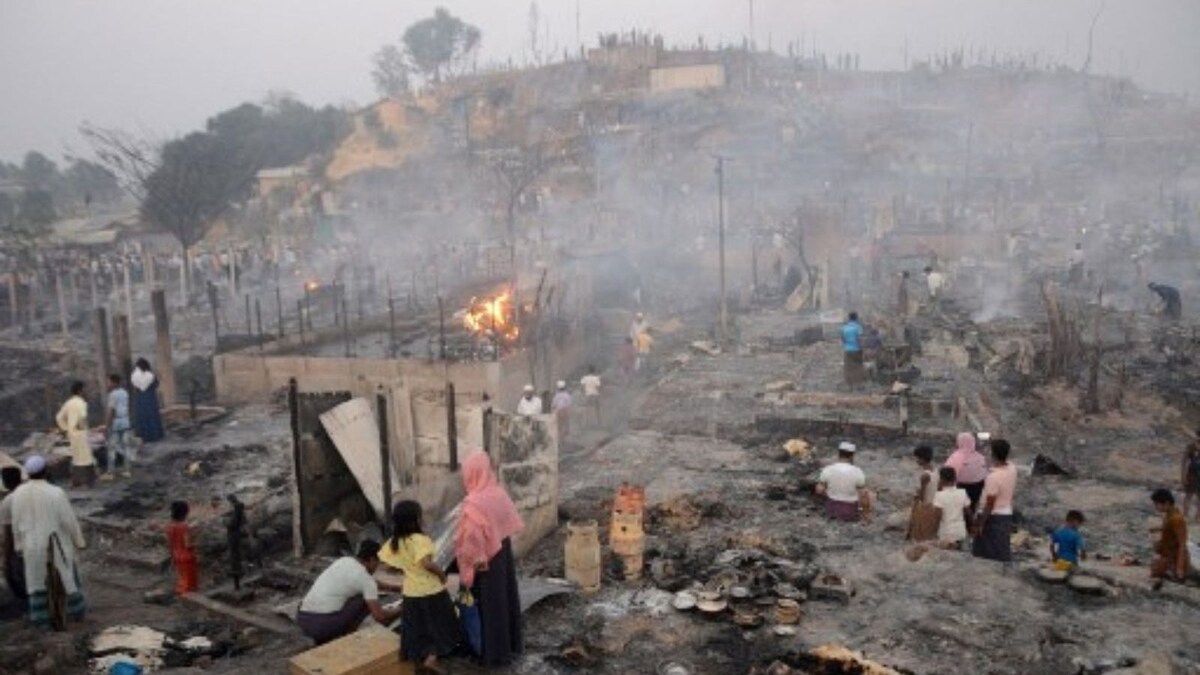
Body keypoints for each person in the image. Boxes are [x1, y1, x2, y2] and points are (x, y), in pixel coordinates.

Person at [455, 452, 524, 666]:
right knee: (505, 599)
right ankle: (510, 645)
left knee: (488, 606)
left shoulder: (473, 504)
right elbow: (505, 523)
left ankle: (492, 654)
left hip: (484, 561)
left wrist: (467, 573)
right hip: (502, 552)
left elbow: (471, 543)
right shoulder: (498, 493)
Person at [381, 501, 461, 673]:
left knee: (418, 628)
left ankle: (419, 660)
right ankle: (431, 660)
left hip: (411, 593)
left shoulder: (395, 542)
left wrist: (406, 567)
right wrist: (442, 574)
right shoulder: (420, 540)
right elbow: (427, 564)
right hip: (432, 592)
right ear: (416, 520)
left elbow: (387, 567)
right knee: (442, 625)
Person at [9, 455, 87, 628]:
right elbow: (69, 520)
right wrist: (79, 541)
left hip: (31, 546)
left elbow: (16, 523)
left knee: (37, 582)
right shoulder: (56, 492)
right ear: (45, 471)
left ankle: (42, 620)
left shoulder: (18, 494)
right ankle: (74, 614)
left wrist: (19, 545)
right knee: (65, 577)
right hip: (56, 545)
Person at [297, 540, 401, 646]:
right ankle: (344, 640)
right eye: (378, 563)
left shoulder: (344, 561)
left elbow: (368, 582)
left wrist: (395, 588)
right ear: (372, 559)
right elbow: (379, 616)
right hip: (323, 627)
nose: (377, 567)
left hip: (303, 620)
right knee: (363, 600)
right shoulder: (366, 581)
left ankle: (326, 637)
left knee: (358, 595)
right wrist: (401, 609)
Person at [972, 439, 1018, 563]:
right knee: (1001, 547)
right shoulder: (1012, 468)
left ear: (993, 454)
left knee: (986, 551)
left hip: (993, 516)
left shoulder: (993, 477)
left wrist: (980, 523)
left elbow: (990, 503)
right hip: (1006, 512)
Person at [815, 442, 870, 523]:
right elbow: (864, 496)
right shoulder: (857, 472)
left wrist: (829, 495)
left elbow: (819, 490)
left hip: (831, 510)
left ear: (839, 454)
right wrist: (866, 515)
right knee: (868, 492)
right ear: (852, 455)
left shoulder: (828, 469)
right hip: (849, 512)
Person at [55, 381, 96, 488]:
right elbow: (82, 417)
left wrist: (66, 429)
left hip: (72, 434)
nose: (86, 391)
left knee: (76, 457)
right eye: (85, 389)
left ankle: (76, 482)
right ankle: (88, 482)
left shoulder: (68, 402)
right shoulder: (81, 403)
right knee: (87, 457)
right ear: (80, 391)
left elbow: (59, 417)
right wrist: (82, 427)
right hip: (81, 433)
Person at [1149, 489, 1190, 589]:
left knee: (1155, 570)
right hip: (1169, 553)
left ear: (1166, 503)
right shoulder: (1170, 514)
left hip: (1175, 557)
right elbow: (1169, 527)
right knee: (1154, 566)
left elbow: (1182, 544)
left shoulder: (1177, 519)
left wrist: (1179, 568)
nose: (1155, 507)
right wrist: (1157, 529)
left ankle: (1173, 571)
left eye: (1157, 504)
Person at [0, 466, 27, 605]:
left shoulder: (7, 501)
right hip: (44, 541)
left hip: (22, 548)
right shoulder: (31, 493)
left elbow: (8, 534)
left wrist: (5, 560)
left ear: (5, 482)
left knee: (15, 577)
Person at [943, 432, 989, 512]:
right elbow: (984, 475)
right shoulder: (980, 458)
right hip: (976, 491)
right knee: (971, 509)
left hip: (959, 490)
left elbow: (946, 474)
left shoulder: (955, 457)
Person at [102, 374, 133, 480]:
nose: (108, 384)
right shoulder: (125, 393)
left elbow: (111, 410)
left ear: (114, 383)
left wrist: (107, 425)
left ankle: (110, 472)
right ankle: (127, 470)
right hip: (125, 421)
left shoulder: (112, 395)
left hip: (116, 423)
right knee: (126, 446)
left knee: (111, 447)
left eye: (109, 382)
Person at [932, 467, 972, 549]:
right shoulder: (963, 493)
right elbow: (969, 513)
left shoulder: (939, 496)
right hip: (960, 531)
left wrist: (933, 533)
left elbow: (937, 517)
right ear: (955, 478)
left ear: (941, 480)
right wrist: (972, 528)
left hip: (946, 532)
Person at [166, 501, 199, 595]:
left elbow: (170, 543)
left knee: (182, 577)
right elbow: (188, 544)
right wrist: (196, 542)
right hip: (187, 557)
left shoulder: (169, 526)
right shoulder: (184, 527)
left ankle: (180, 592)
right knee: (189, 581)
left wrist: (172, 556)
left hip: (176, 555)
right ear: (184, 513)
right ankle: (187, 599)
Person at [908, 445, 939, 541]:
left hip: (925, 505)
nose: (916, 461)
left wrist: (916, 500)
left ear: (922, 458)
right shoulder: (936, 470)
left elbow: (922, 495)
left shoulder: (925, 476)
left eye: (917, 458)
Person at [130, 358, 165, 443]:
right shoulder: (150, 375)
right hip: (150, 398)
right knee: (152, 415)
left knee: (142, 416)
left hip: (140, 398)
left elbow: (135, 386)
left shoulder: (135, 375)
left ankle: (144, 435)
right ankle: (155, 435)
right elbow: (156, 384)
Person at [841, 312, 865, 390]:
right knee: (858, 367)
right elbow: (860, 339)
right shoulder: (858, 327)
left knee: (848, 368)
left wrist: (847, 345)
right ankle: (859, 385)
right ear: (856, 318)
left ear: (849, 318)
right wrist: (862, 348)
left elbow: (843, 339)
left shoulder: (844, 327)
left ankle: (849, 386)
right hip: (857, 350)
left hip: (847, 350)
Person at [1183, 432, 1200, 522]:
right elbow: (1185, 462)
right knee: (1188, 495)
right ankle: (1185, 515)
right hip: (1192, 474)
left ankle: (1197, 517)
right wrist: (1183, 476)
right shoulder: (1191, 447)